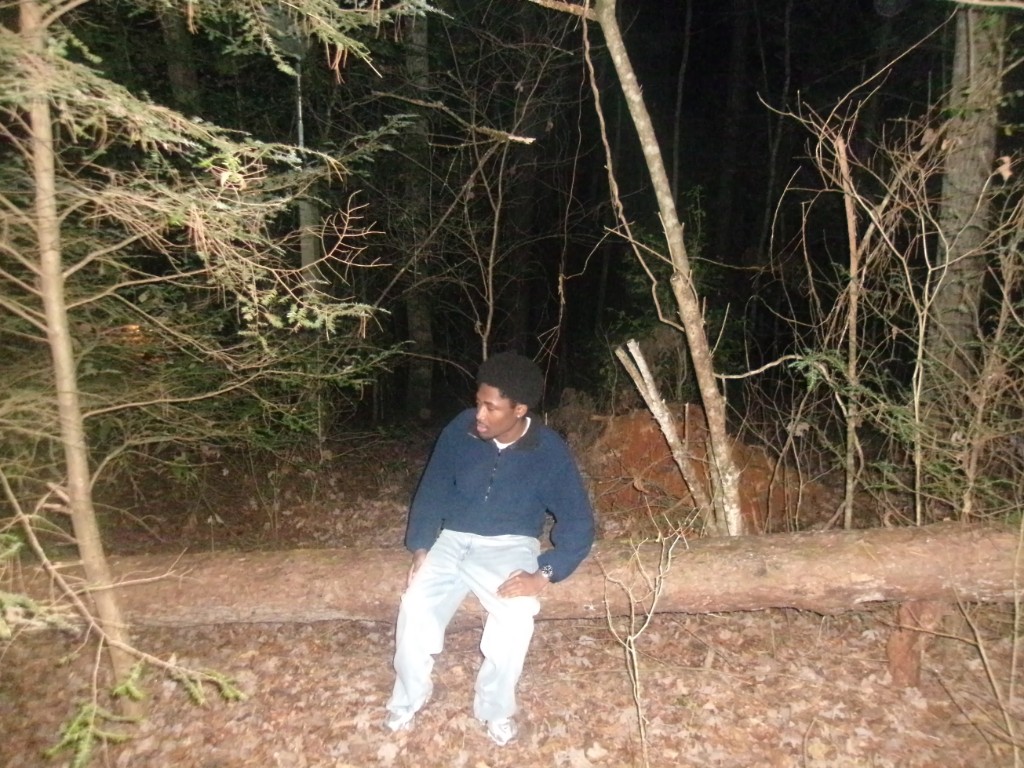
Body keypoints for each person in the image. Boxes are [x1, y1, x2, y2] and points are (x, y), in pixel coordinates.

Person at [384, 351, 595, 746]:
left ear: (519, 409)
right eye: (478, 401)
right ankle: (408, 697)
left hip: (509, 545)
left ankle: (495, 709)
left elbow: (579, 521)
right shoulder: (460, 430)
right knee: (414, 606)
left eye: (490, 407)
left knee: (516, 615)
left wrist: (546, 572)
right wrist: (421, 546)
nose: (478, 414)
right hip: (452, 540)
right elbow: (431, 489)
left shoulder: (547, 450)